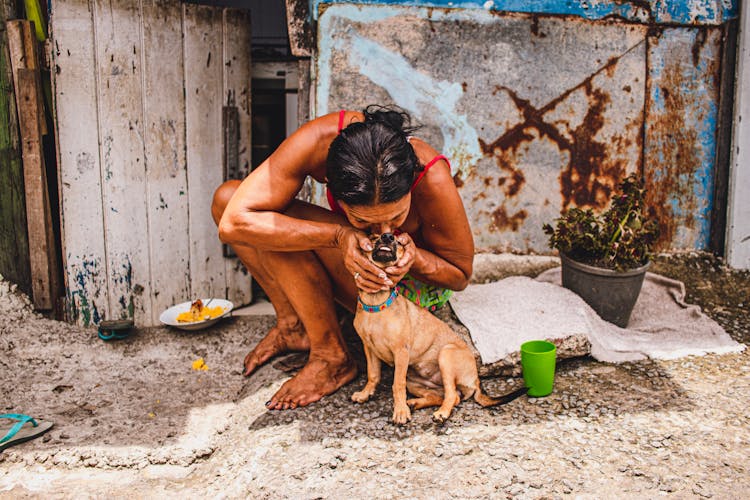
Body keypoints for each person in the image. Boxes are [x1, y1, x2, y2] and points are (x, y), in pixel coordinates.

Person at [212, 105, 474, 410]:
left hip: (403, 295)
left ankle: (331, 356)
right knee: (229, 199)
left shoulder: (431, 176)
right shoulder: (318, 142)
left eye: (397, 218)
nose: (383, 233)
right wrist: (337, 236)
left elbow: (460, 274)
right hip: (356, 273)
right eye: (365, 222)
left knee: (270, 219)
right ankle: (293, 325)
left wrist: (414, 259)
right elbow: (232, 222)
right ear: (327, 179)